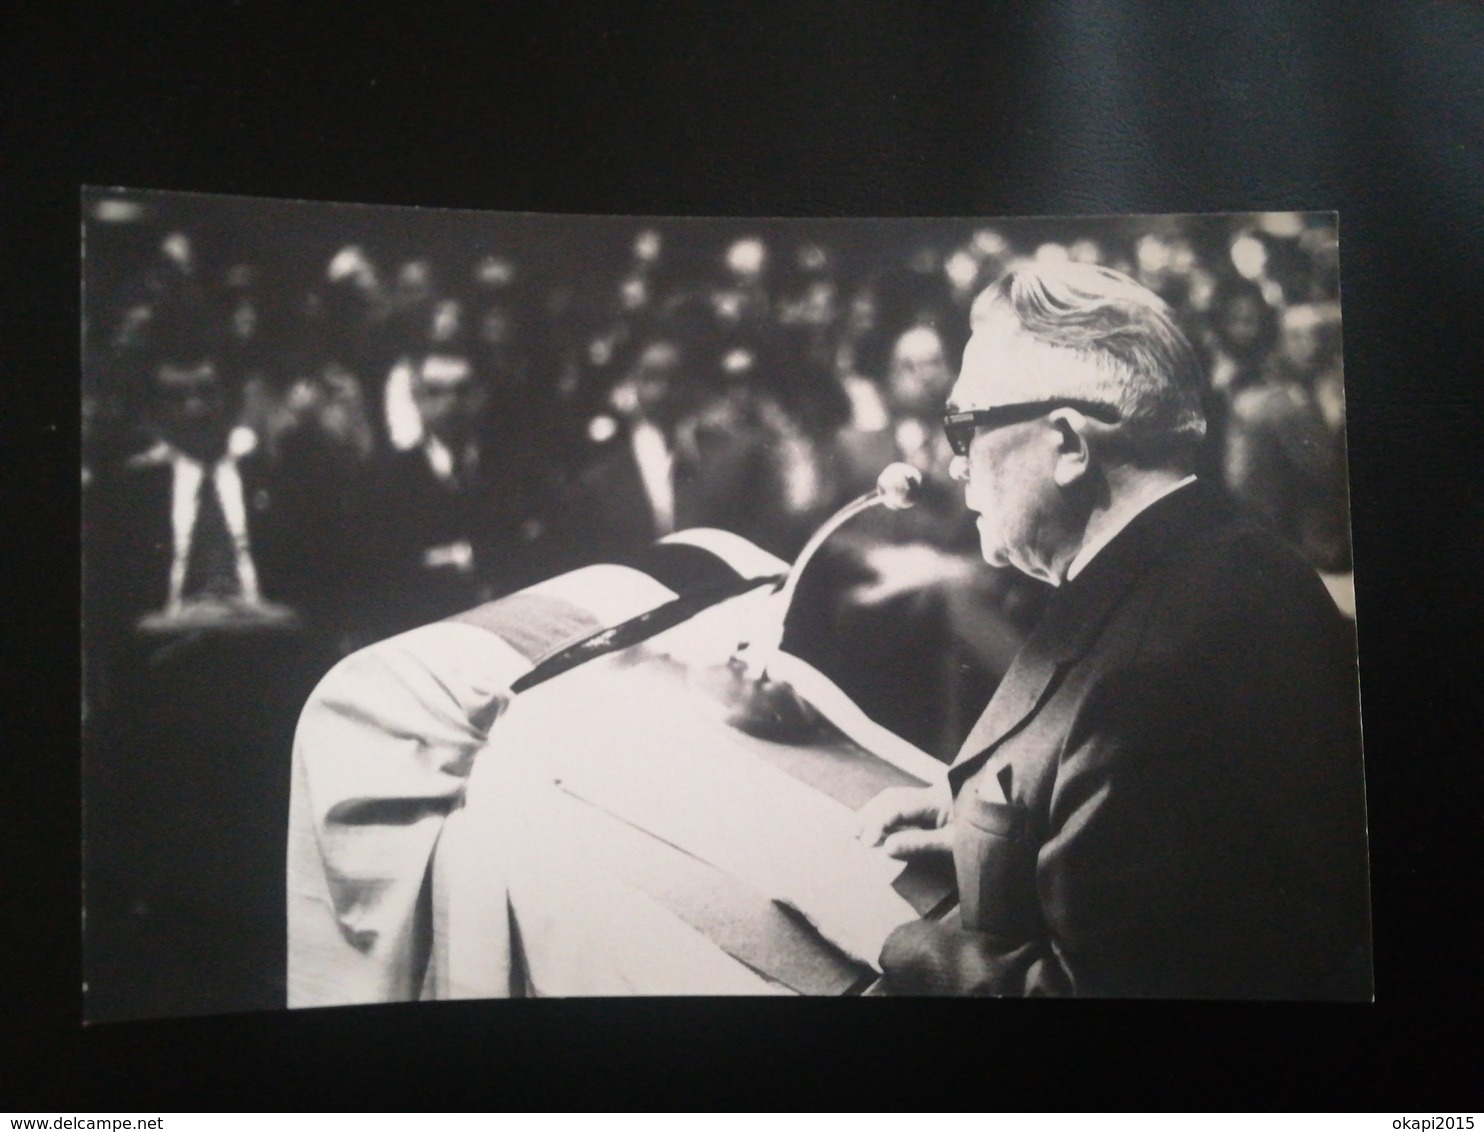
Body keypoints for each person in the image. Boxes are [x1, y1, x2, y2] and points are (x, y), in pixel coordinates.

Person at [857, 262, 1370, 999]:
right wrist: (983, 831)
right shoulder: (1208, 555)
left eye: (965, 426)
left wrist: (890, 943)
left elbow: (1109, 1000)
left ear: (1067, 442)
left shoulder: (1168, 665)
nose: (953, 462)